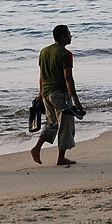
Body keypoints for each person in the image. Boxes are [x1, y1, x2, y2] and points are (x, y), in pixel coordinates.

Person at [31, 24, 83, 166]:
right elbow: (68, 78)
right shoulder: (66, 54)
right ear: (63, 37)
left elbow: (41, 76)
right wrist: (75, 99)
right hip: (60, 94)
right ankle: (61, 158)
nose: (70, 36)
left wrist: (40, 93)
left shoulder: (44, 51)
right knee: (65, 125)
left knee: (51, 122)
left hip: (46, 93)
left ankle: (36, 148)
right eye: (68, 34)